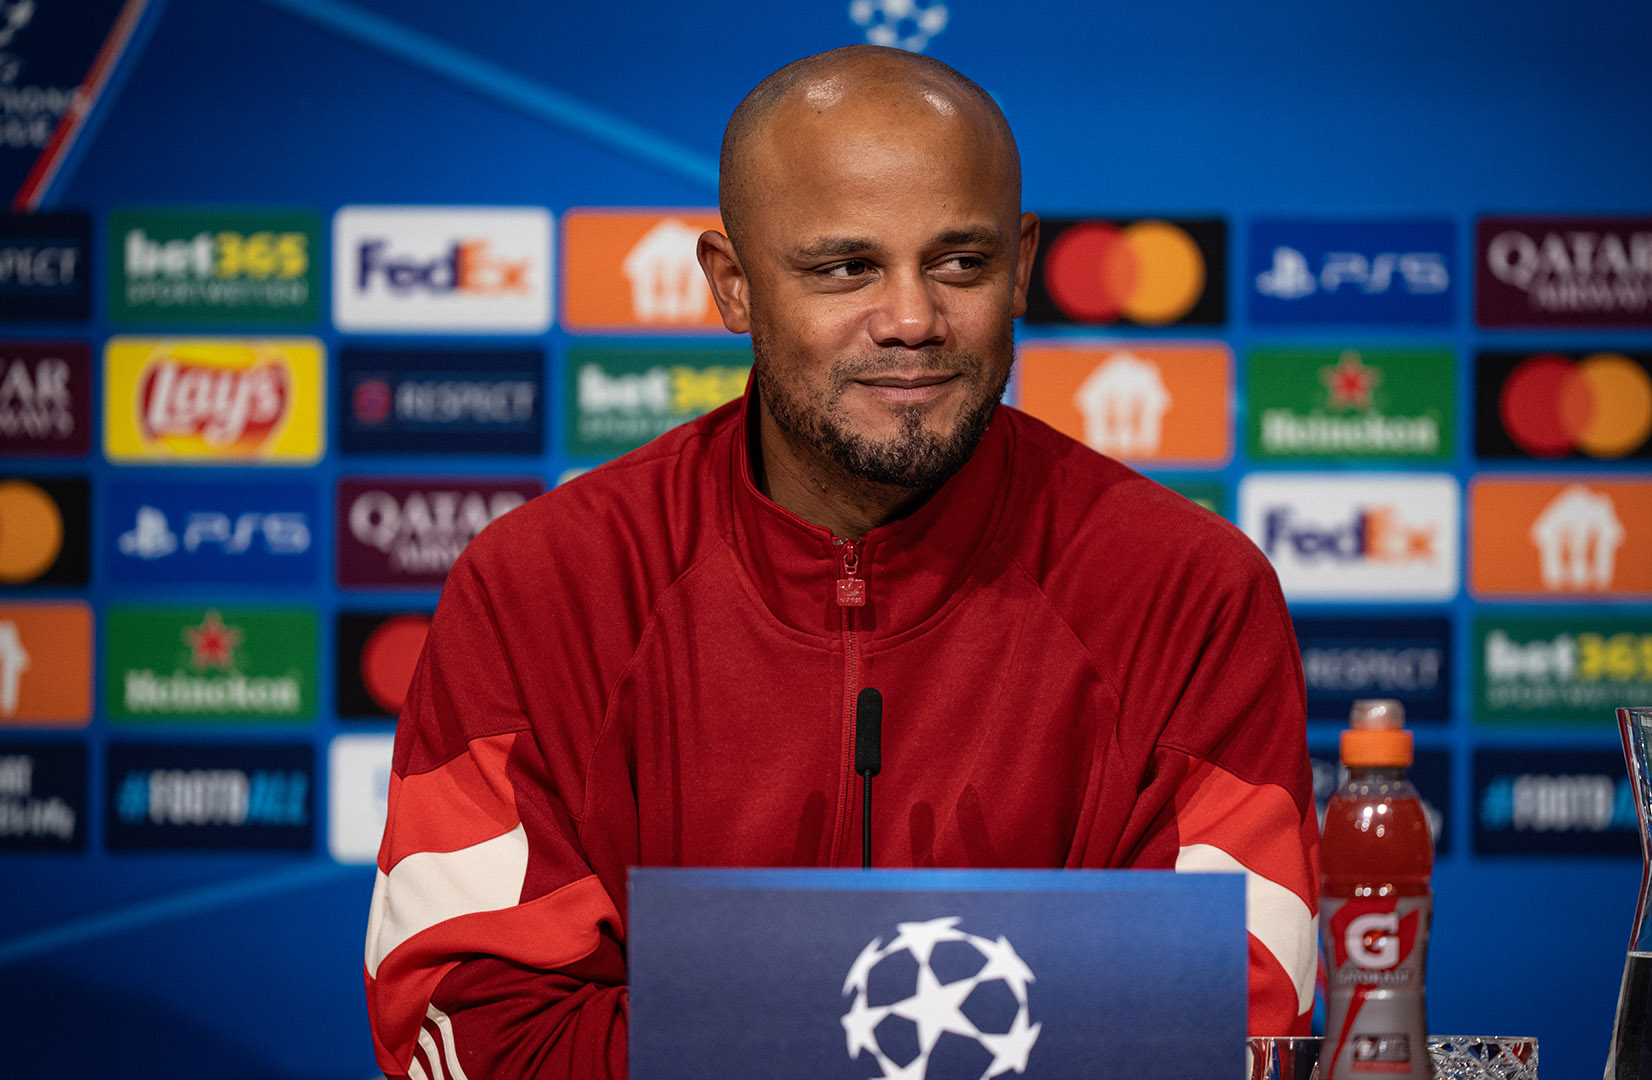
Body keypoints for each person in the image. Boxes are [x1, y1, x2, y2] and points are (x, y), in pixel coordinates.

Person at [364, 44, 1318, 1079]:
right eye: (844, 267)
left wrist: (724, 1013)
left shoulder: (1189, 588)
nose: (912, 319)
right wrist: (997, 1007)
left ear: (1025, 265)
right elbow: (469, 1025)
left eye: (960, 262)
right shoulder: (543, 585)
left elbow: (1229, 1019)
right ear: (733, 287)